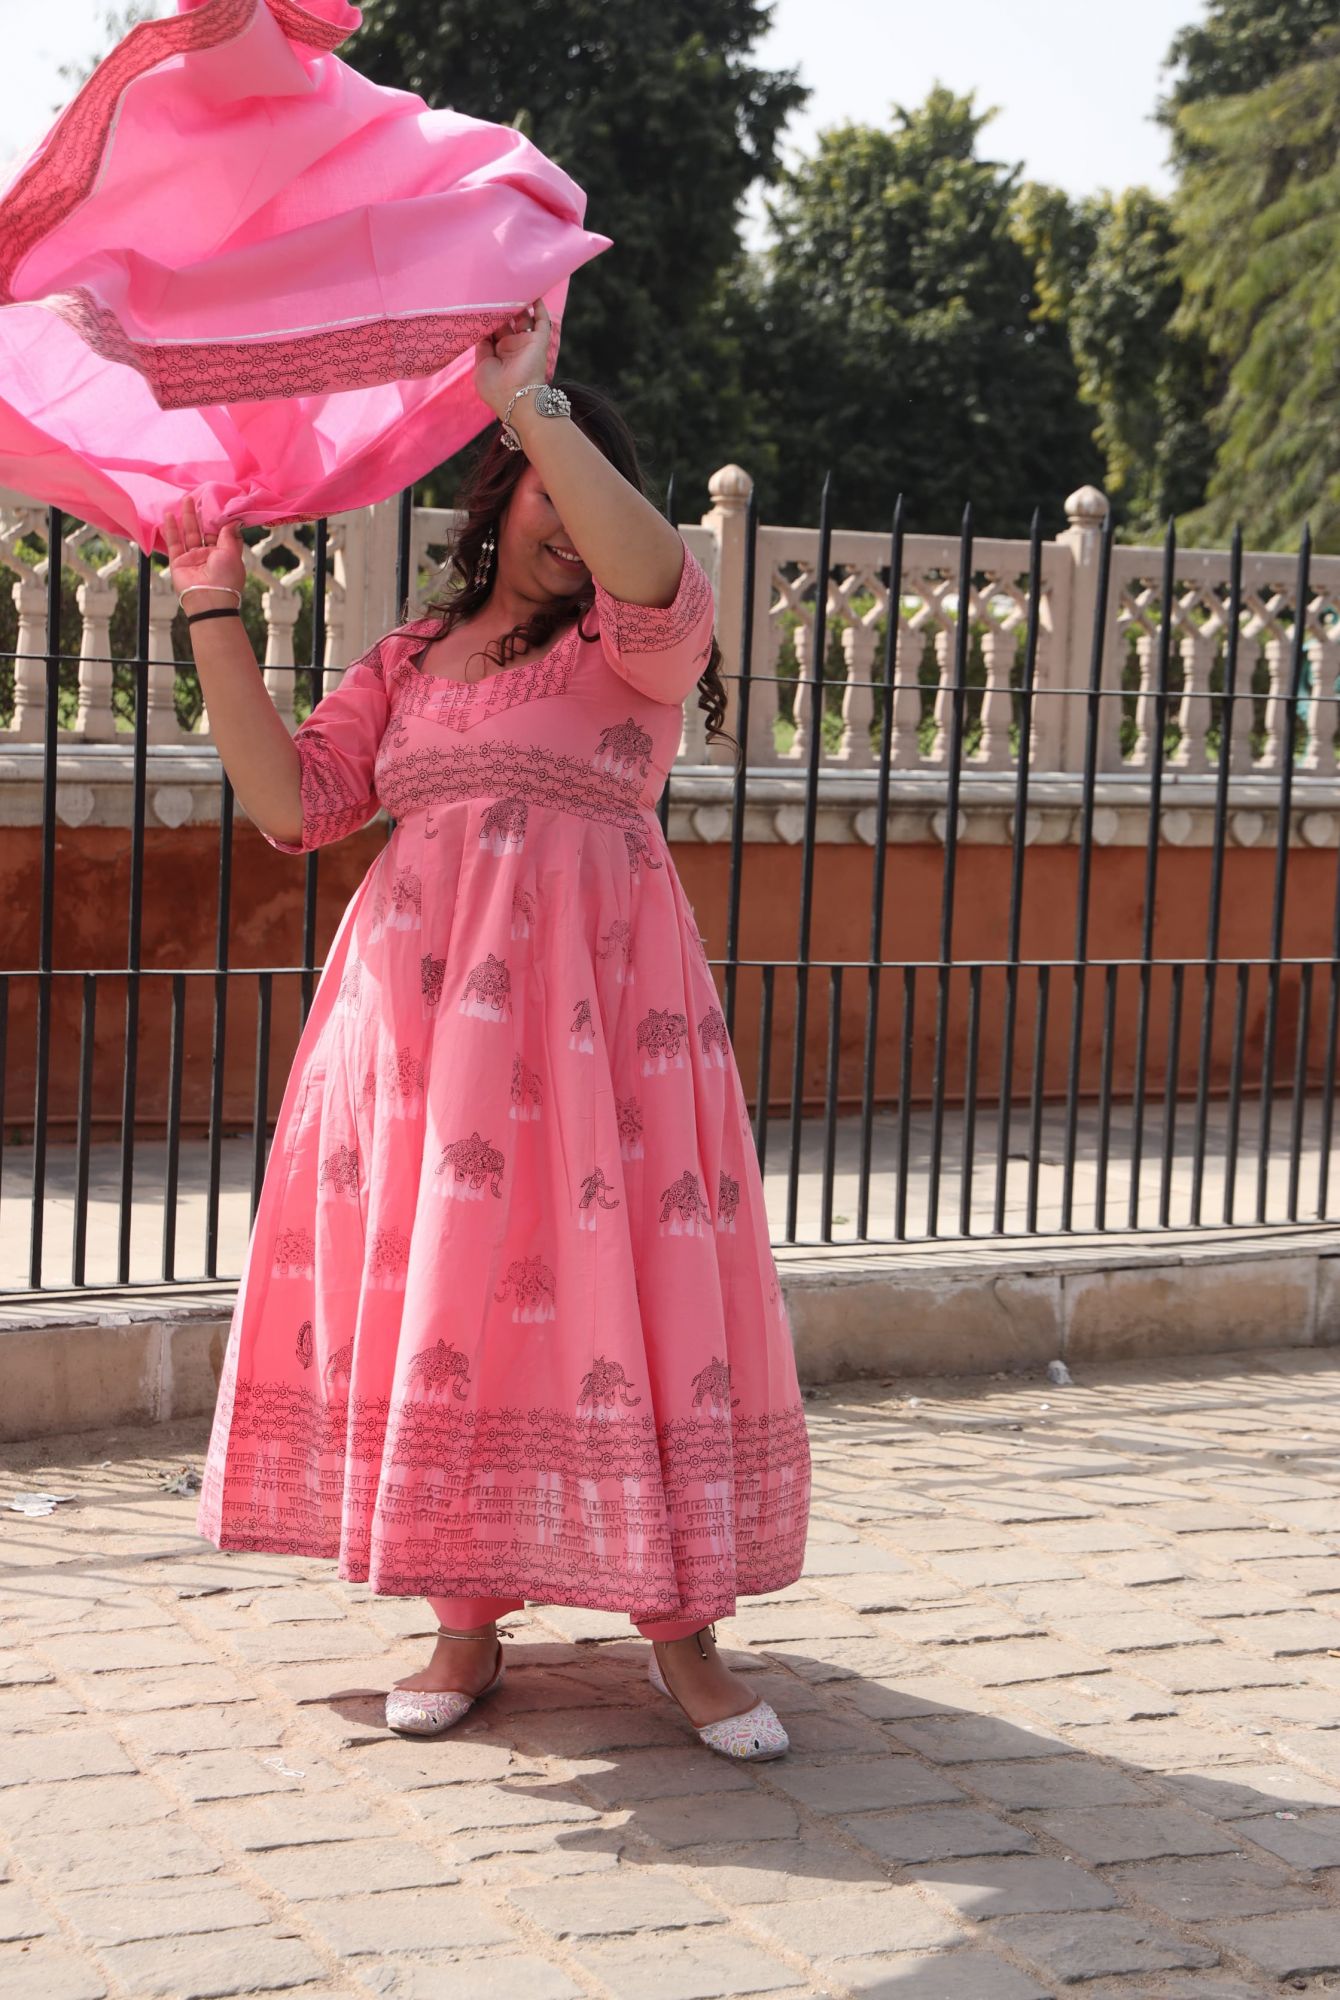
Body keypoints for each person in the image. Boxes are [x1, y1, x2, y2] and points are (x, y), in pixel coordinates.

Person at [178, 300, 811, 1762]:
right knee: (450, 1299)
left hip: (604, 1032)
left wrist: (537, 405)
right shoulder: (411, 656)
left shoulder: (639, 639)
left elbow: (653, 559)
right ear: (492, 495)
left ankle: (684, 1638)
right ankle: (464, 1618)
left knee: (626, 1290)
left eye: (584, 483)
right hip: (418, 1033)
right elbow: (293, 805)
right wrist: (213, 600)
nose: (572, 530)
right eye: (542, 487)